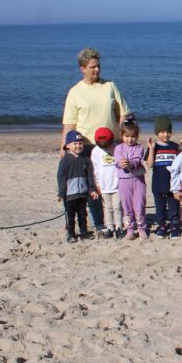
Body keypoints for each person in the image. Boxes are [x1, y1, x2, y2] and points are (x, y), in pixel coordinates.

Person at [61, 48, 131, 231]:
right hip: (87, 145)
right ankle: (100, 223)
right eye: (92, 67)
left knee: (114, 181)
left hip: (111, 144)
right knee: (93, 185)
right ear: (82, 68)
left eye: (98, 66)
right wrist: (64, 148)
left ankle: (119, 218)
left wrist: (123, 137)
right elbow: (69, 124)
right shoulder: (75, 92)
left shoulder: (110, 86)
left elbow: (123, 113)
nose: (97, 70)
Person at [57, 130, 98, 243]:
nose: (78, 146)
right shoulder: (65, 161)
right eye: (75, 143)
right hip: (69, 195)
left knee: (82, 214)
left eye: (80, 143)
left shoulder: (86, 159)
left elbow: (90, 176)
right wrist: (61, 193)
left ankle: (83, 232)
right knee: (70, 216)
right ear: (68, 145)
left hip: (83, 194)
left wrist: (92, 190)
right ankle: (71, 233)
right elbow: (61, 178)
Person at [146, 116, 181, 238]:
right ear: (157, 132)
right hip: (158, 183)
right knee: (160, 208)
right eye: (162, 132)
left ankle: (174, 226)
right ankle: (161, 226)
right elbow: (150, 164)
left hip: (173, 184)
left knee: (174, 208)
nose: (165, 135)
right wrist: (151, 149)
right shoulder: (155, 147)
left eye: (168, 131)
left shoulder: (175, 147)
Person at [114, 121, 148, 241]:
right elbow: (117, 161)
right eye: (127, 136)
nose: (130, 139)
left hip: (138, 181)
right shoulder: (118, 148)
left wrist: (130, 163)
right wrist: (121, 163)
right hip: (124, 182)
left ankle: (142, 228)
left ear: (137, 136)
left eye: (133, 136)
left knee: (139, 206)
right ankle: (130, 230)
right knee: (127, 207)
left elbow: (137, 160)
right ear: (121, 135)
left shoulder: (139, 147)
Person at [90, 127, 123, 239]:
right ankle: (110, 228)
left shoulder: (117, 148)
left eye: (107, 143)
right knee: (107, 208)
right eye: (101, 143)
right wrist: (97, 184)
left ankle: (119, 227)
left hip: (117, 184)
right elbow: (95, 169)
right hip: (104, 186)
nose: (104, 145)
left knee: (117, 207)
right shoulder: (95, 151)